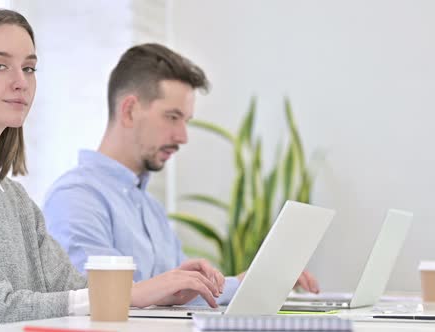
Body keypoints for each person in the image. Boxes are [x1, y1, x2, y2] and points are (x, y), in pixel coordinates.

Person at [0, 6, 226, 331]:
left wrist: (160, 290)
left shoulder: (14, 199)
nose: (21, 81)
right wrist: (131, 294)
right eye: (0, 65)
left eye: (29, 67)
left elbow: (72, 290)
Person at [43, 43, 319, 306]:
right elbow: (96, 296)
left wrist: (248, 283)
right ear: (129, 110)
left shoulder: (150, 208)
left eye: (185, 121)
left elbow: (175, 296)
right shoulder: (76, 198)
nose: (182, 136)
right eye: (172, 117)